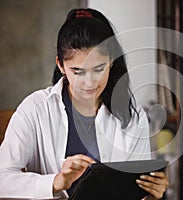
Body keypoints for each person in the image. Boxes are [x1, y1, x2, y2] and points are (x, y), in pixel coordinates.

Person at [0, 8, 168, 199]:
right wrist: (55, 182)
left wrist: (150, 196)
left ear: (111, 61)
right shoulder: (35, 108)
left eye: (98, 69)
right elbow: (2, 179)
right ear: (61, 65)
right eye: (78, 71)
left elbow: (132, 189)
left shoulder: (133, 115)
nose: (89, 83)